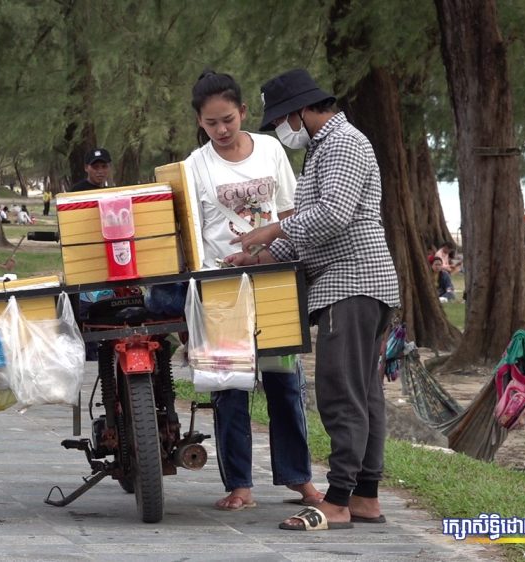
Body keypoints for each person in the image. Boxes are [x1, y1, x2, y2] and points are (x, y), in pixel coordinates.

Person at [227, 69, 400, 531]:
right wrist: (257, 255)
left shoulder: (342, 143)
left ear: (302, 110)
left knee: (340, 394)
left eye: (281, 120)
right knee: (363, 395)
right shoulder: (325, 148)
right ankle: (365, 497)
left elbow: (333, 216)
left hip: (352, 283)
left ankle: (338, 501)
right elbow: (309, 233)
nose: (281, 130)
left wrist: (273, 229)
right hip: (356, 285)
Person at [185, 70, 321, 511]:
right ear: (200, 122)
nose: (222, 130)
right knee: (229, 386)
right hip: (221, 286)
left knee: (285, 383)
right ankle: (239, 484)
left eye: (228, 119)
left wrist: (277, 254)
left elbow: (290, 211)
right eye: (211, 123)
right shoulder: (194, 166)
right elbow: (191, 231)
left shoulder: (270, 149)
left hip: (273, 279)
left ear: (243, 111)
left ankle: (300, 479)